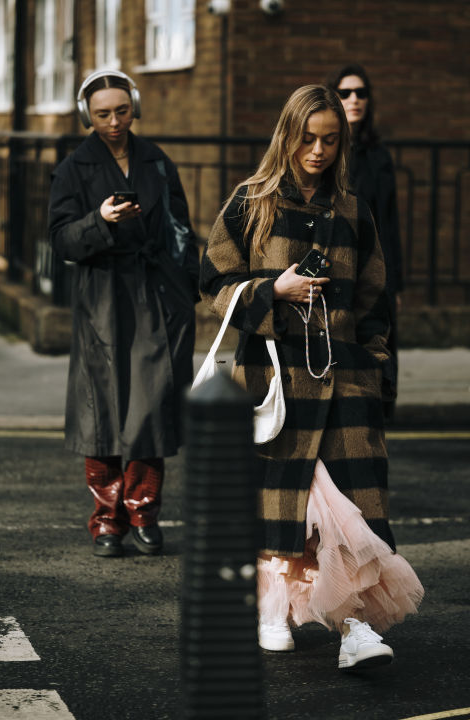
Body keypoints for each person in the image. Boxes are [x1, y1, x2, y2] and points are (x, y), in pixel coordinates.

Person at [200, 85, 423, 669]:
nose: (318, 150)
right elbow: (212, 282)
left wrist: (372, 360)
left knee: (348, 507)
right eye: (308, 137)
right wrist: (273, 289)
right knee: (295, 503)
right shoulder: (252, 201)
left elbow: (375, 298)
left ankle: (354, 627)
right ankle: (275, 609)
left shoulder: (352, 209)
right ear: (287, 134)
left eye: (329, 139)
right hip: (276, 381)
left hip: (343, 382)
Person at [48, 70, 199, 558]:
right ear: (86, 115)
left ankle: (144, 513)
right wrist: (101, 221)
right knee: (103, 410)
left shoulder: (156, 161)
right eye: (102, 114)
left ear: (135, 106)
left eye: (122, 111)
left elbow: (181, 229)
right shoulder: (75, 167)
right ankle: (107, 520)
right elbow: (62, 240)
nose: (114, 122)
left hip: (156, 296)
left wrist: (188, 292)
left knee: (151, 410)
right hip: (103, 299)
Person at [327, 63, 404, 417]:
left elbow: (389, 222)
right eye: (345, 93)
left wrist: (396, 285)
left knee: (378, 349)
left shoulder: (379, 156)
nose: (354, 99)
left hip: (375, 266)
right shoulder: (325, 152)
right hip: (336, 266)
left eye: (360, 93)